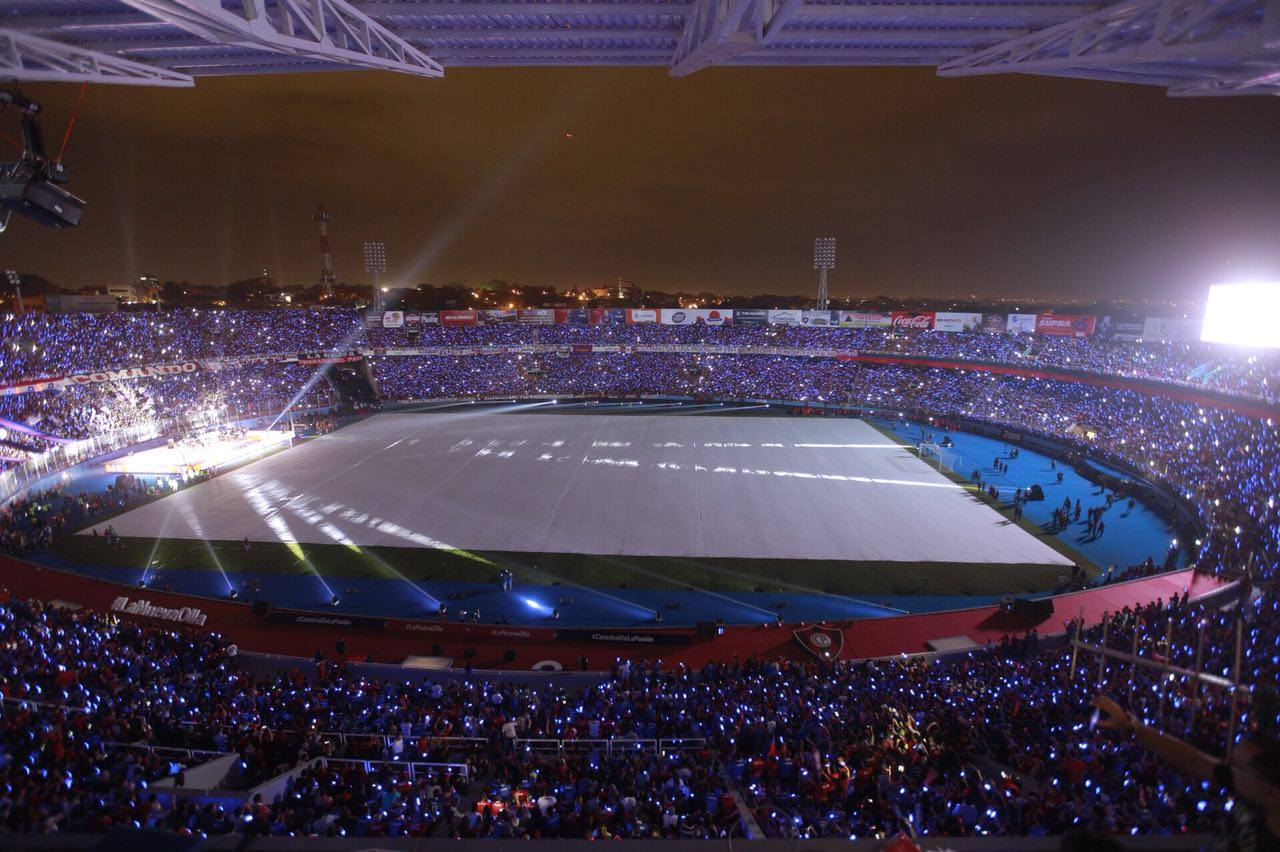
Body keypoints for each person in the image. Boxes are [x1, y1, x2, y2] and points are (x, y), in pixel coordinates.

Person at [1092, 695, 1280, 850]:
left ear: (1269, 788)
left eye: (1238, 767)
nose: (1228, 769)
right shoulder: (1251, 790)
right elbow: (1192, 759)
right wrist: (1131, 725)